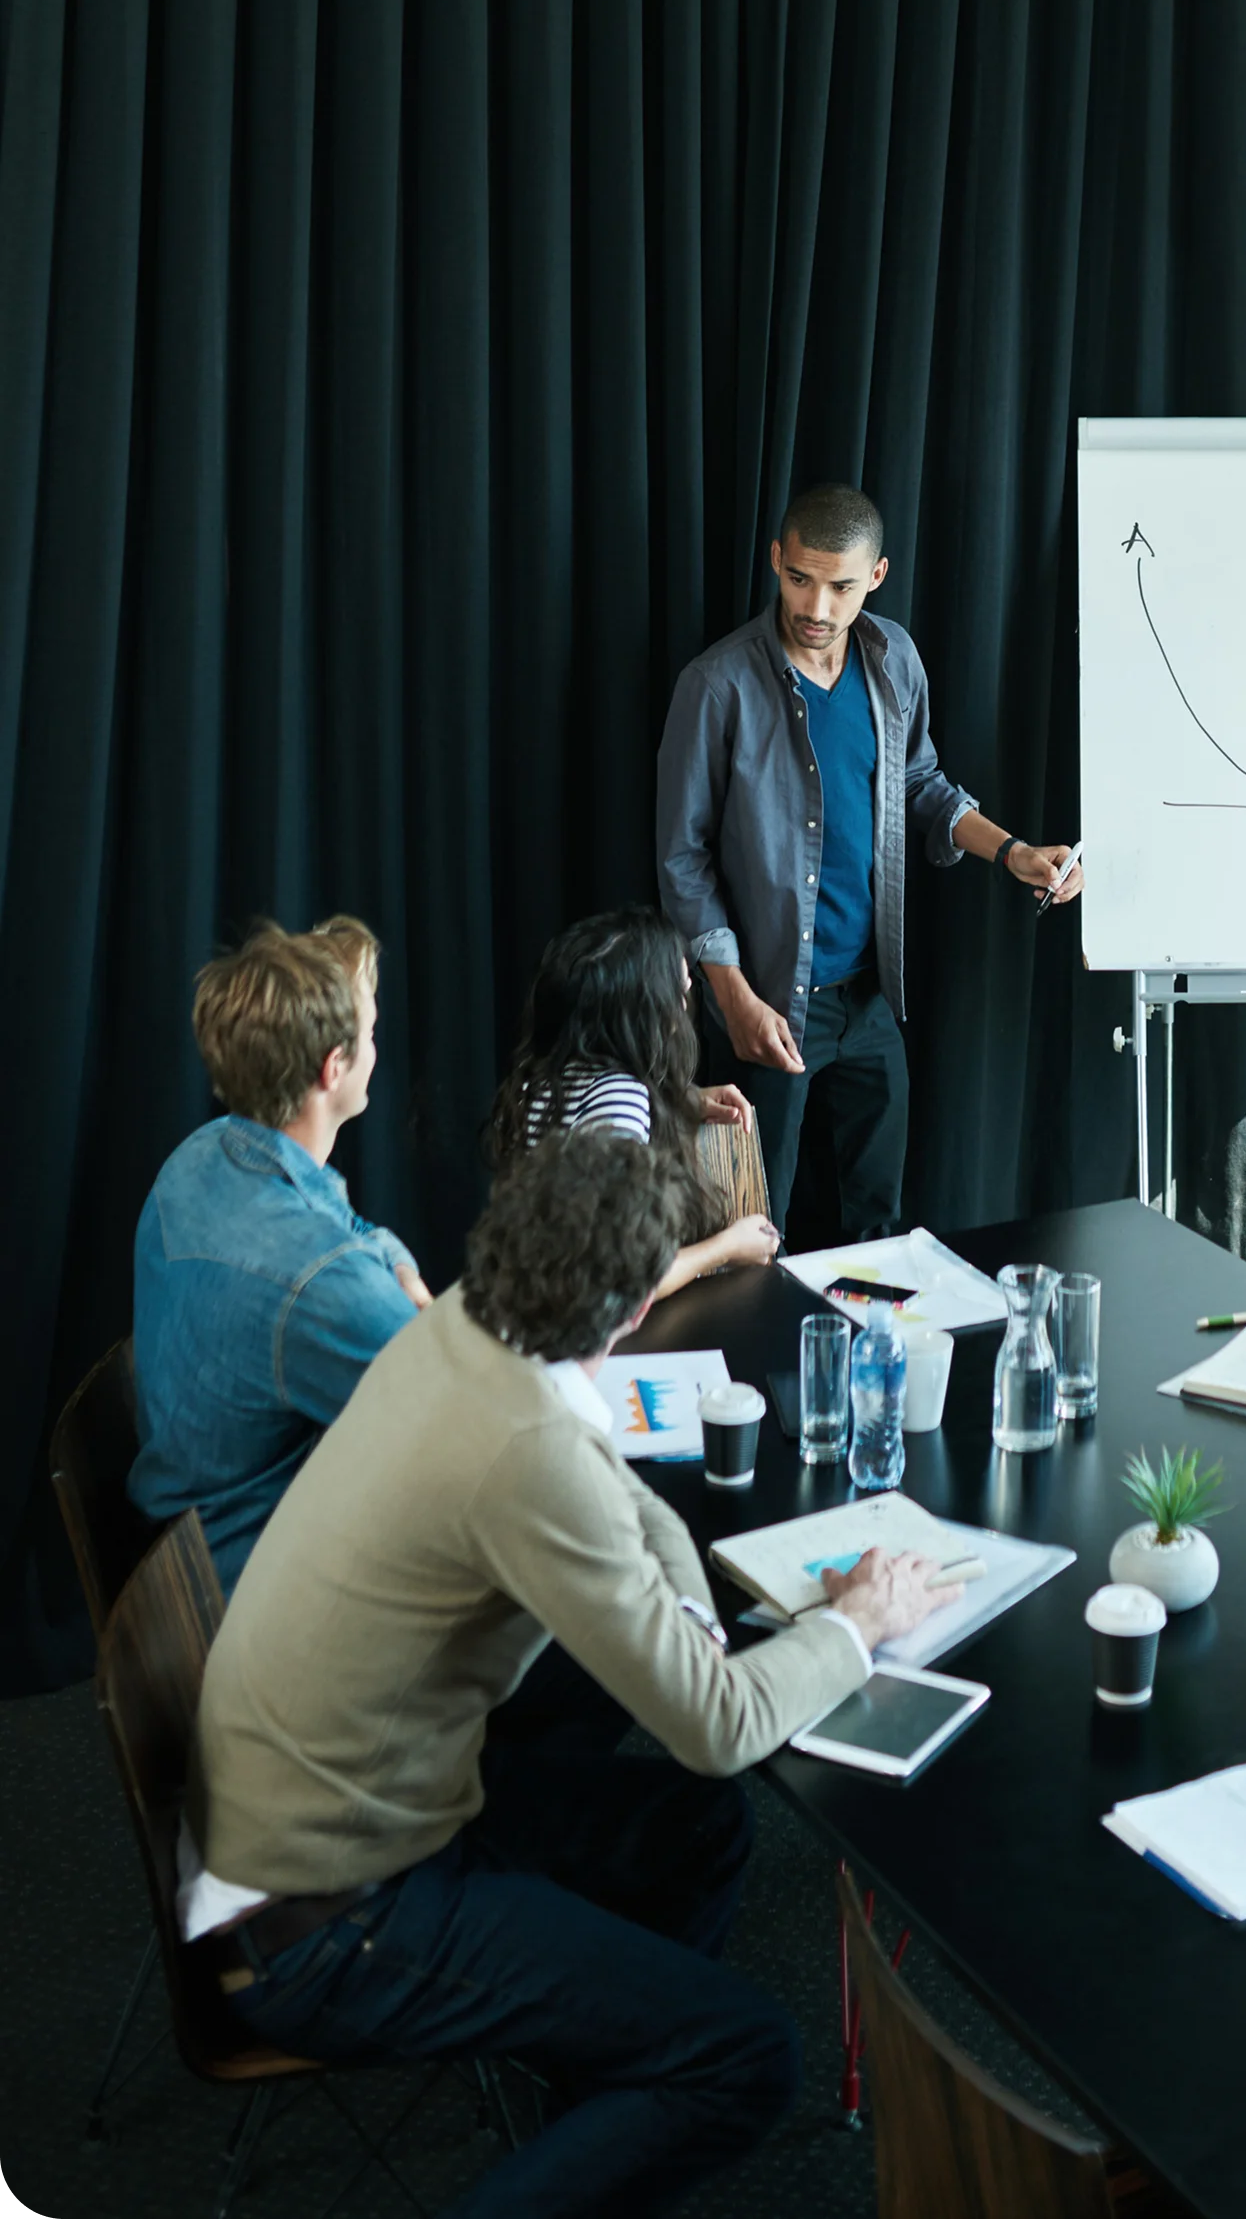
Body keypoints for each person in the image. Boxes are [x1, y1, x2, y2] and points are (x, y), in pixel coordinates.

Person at [183, 1129, 960, 2218]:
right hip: (329, 1919)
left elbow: (624, 1491)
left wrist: (689, 1616)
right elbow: (719, 1729)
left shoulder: (463, 1321)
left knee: (702, 1828)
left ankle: (603, 2108)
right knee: (746, 2056)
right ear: (638, 1307)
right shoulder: (526, 1450)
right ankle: (628, 2103)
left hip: (314, 1809)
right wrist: (860, 1622)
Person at [656, 481, 1083, 1237]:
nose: (817, 608)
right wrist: (734, 997)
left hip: (869, 997)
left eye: (842, 587)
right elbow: (683, 858)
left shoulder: (894, 660)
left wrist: (1012, 853)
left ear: (877, 577)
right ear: (776, 558)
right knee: (748, 1229)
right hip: (767, 1004)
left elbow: (920, 784)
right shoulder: (716, 686)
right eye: (800, 579)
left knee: (876, 1228)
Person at [131, 917, 431, 1592]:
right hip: (251, 1590)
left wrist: (398, 1269)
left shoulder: (198, 1158)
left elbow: (356, 1229)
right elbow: (458, 1414)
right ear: (333, 1067)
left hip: (177, 1554)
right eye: (372, 1034)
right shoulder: (324, 1279)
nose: (376, 1048)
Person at [487, 905, 780, 1296]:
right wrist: (728, 1246)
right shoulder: (621, 1098)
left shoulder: (540, 1081)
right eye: (677, 993)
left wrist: (683, 1101)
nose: (684, 1005)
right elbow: (623, 1282)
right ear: (642, 1011)